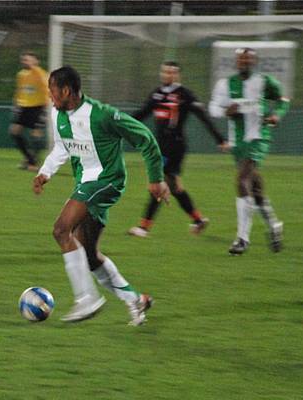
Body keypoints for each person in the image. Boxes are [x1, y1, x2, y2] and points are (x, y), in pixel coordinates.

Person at [33, 66, 170, 325]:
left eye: (52, 91)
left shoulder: (103, 115)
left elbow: (145, 138)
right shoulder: (58, 114)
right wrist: (45, 172)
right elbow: (62, 146)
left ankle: (86, 299)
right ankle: (135, 300)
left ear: (66, 90)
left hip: (108, 181)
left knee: (62, 230)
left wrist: (156, 179)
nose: (50, 96)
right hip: (85, 184)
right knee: (89, 256)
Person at [127, 61, 229, 238]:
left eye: (171, 72)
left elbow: (203, 117)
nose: (167, 75)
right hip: (161, 147)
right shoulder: (157, 94)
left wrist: (220, 139)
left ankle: (144, 227)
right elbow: (141, 114)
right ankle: (198, 220)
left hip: (175, 147)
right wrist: (119, 124)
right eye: (165, 72)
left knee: (158, 183)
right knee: (174, 187)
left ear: (177, 75)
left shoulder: (184, 95)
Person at [208, 47, 289, 255]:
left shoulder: (265, 82)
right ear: (236, 62)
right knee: (256, 189)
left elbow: (283, 100)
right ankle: (274, 225)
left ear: (255, 62)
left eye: (248, 59)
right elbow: (213, 108)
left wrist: (277, 115)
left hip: (259, 137)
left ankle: (242, 239)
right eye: (240, 60)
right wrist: (226, 110)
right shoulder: (225, 84)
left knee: (241, 180)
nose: (244, 62)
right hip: (238, 142)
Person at [9, 51, 49, 171]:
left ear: (36, 61)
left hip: (39, 107)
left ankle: (34, 163)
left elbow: (46, 85)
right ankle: (29, 158)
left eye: (28, 59)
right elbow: (20, 90)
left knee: (36, 134)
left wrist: (34, 68)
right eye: (24, 60)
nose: (25, 62)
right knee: (14, 132)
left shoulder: (41, 73)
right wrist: (16, 103)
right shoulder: (21, 74)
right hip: (24, 106)